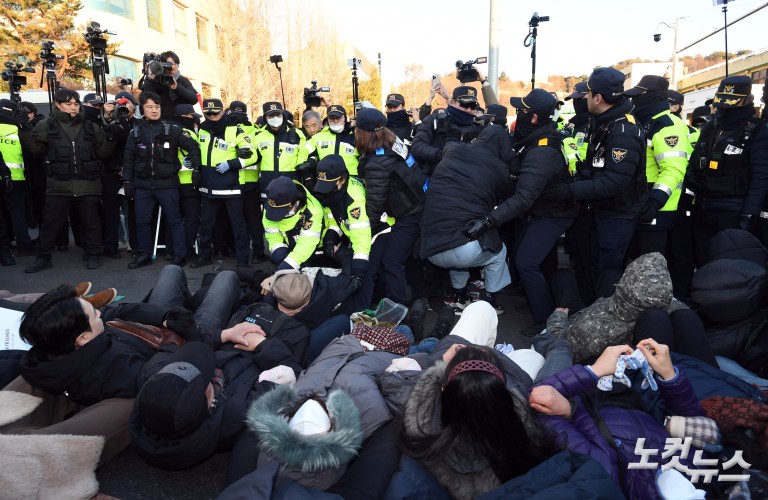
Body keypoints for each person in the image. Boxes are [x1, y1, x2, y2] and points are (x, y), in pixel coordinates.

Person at [530, 340, 708, 499]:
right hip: (623, 392)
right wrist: (670, 376)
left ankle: (550, 333)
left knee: (560, 349)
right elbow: (697, 426)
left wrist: (593, 373)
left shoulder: (604, 474)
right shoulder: (700, 473)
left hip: (572, 394)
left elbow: (538, 398)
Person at [399, 341, 563, 499]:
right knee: (537, 355)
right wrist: (567, 410)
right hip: (527, 384)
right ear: (501, 392)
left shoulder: (418, 439)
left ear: (443, 389)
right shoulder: (532, 443)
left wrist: (439, 363)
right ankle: (548, 340)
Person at [469, 89, 577, 324]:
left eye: (522, 111)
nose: (518, 114)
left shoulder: (542, 150)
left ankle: (543, 320)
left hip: (554, 213)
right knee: (540, 260)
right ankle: (541, 303)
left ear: (534, 118)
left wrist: (490, 220)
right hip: (543, 210)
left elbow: (524, 197)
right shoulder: (534, 140)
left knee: (526, 261)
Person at [550, 67, 647, 300]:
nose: (584, 99)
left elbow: (614, 182)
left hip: (617, 213)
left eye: (588, 93)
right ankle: (584, 311)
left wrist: (569, 191)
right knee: (588, 266)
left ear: (598, 98)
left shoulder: (623, 130)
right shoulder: (603, 120)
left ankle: (603, 323)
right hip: (599, 208)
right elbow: (596, 164)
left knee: (607, 272)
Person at [546, 252, 718, 366]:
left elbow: (560, 343)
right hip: (606, 305)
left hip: (578, 319)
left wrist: (558, 317)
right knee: (609, 274)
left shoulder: (599, 330)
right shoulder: (673, 308)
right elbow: (667, 300)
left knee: (563, 277)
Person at [20, 89, 118, 273]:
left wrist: (111, 137)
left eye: (75, 103)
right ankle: (43, 257)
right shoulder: (46, 125)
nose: (73, 107)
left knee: (91, 223)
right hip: (58, 185)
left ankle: (93, 254)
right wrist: (24, 129)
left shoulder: (91, 126)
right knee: (49, 224)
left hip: (88, 183)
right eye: (68, 103)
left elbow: (103, 153)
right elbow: (34, 148)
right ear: (57, 104)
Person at [420, 125, 513, 314]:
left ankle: (460, 297)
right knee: (499, 252)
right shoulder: (499, 167)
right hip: (461, 251)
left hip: (429, 248)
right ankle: (490, 302)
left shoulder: (452, 150)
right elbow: (510, 195)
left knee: (456, 236)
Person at [688, 75, 768, 263]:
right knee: (701, 261)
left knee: (728, 266)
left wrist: (749, 215)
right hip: (702, 208)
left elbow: (761, 177)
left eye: (731, 103)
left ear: (748, 100)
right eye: (722, 103)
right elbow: (694, 166)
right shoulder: (710, 128)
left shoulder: (759, 131)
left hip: (734, 212)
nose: (725, 108)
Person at [122, 91, 201, 268]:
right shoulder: (135, 132)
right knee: (142, 221)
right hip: (142, 185)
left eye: (157, 106)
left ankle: (180, 255)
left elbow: (193, 146)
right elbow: (128, 159)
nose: (154, 110)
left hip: (168, 184)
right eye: (149, 107)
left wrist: (196, 168)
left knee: (174, 220)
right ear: (142, 109)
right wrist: (127, 181)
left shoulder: (172, 129)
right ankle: (144, 254)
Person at [356, 107, 426, 307]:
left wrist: (364, 233)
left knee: (391, 261)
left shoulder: (377, 161)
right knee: (410, 258)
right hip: (418, 205)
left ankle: (398, 309)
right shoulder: (394, 142)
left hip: (409, 214)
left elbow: (375, 203)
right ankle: (420, 298)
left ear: (362, 132)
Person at [624, 75, 690, 255]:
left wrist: (655, 202)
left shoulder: (667, 126)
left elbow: (673, 169)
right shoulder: (645, 122)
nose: (634, 100)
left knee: (650, 268)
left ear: (652, 96)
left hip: (658, 208)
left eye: (638, 95)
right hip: (639, 204)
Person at [191, 98, 256, 269]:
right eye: (208, 113)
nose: (212, 116)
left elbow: (253, 155)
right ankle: (204, 256)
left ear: (223, 111)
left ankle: (242, 260)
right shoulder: (202, 130)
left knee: (238, 225)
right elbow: (198, 150)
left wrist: (232, 164)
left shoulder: (236, 130)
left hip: (231, 186)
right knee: (206, 225)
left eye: (216, 112)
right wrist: (192, 161)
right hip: (209, 185)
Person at [252, 101, 308, 262]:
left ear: (283, 116)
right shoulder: (258, 136)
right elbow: (252, 157)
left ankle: (294, 254)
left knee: (292, 220)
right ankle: (276, 253)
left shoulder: (296, 134)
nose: (275, 118)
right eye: (271, 115)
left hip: (291, 187)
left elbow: (303, 156)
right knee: (271, 222)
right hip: (267, 188)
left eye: (278, 115)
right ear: (265, 118)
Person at [312, 154, 371, 299]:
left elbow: (361, 237)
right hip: (356, 234)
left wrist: (358, 274)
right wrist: (330, 237)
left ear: (343, 179)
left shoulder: (354, 199)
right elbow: (335, 218)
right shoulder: (335, 192)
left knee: (367, 277)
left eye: (330, 185)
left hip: (375, 233)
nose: (326, 190)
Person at [411, 86, 487, 177]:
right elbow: (417, 146)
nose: (469, 110)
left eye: (473, 106)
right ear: (452, 102)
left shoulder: (477, 127)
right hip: (437, 176)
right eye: (465, 105)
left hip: (466, 178)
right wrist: (443, 155)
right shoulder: (433, 120)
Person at [262, 176, 325, 271]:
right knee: (279, 258)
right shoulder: (273, 204)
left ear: (293, 204)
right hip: (289, 246)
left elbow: (305, 246)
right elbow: (272, 235)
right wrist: (279, 251)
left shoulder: (312, 211)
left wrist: (283, 269)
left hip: (316, 249)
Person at [168, 103, 203, 261]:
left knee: (174, 218)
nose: (194, 120)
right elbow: (198, 152)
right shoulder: (186, 132)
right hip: (188, 182)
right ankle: (187, 249)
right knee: (191, 217)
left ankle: (172, 249)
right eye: (192, 117)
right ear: (184, 117)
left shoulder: (167, 131)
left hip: (171, 183)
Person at [0, 100, 34, 258]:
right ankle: (24, 245)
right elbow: (30, 152)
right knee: (18, 214)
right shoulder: (18, 128)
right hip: (17, 178)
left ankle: (4, 247)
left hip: (3, 176)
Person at [137, 50, 198, 120]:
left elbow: (194, 99)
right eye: (167, 65)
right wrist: (149, 80)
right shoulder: (156, 81)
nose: (172, 68)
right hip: (161, 122)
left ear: (178, 65)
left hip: (180, 121)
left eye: (173, 64)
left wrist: (176, 87)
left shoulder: (183, 80)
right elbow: (144, 103)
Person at [305, 105, 359, 176]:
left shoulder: (355, 136)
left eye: (338, 118)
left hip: (351, 179)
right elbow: (304, 152)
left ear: (344, 118)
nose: (335, 121)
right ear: (327, 119)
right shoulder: (319, 137)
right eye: (332, 118)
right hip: (326, 180)